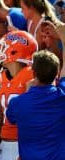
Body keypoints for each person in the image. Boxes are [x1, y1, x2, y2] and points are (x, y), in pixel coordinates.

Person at [6, 24, 65, 160]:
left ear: (33, 72)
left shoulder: (17, 103)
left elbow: (11, 118)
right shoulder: (62, 96)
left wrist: (27, 94)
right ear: (56, 73)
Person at [0, 30, 38, 160]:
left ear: (15, 52)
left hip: (26, 142)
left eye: (3, 48)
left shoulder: (33, 76)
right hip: (5, 144)